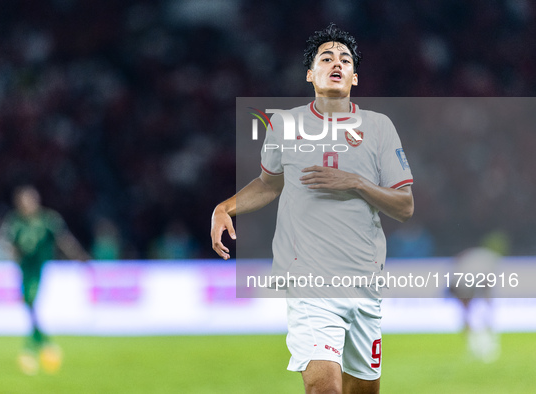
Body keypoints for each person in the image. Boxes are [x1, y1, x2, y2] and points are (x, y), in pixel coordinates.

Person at [211, 24, 414, 394]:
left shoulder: (379, 127)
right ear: (310, 73)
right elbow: (269, 183)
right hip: (310, 282)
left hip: (364, 284)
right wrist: (225, 207)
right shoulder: (285, 124)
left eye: (345, 59)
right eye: (326, 57)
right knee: (325, 389)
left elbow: (405, 206)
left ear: (355, 76)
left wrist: (356, 183)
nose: (336, 63)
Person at [2, 185, 90, 375]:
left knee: (31, 300)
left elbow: (64, 240)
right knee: (28, 304)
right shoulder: (15, 222)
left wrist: (78, 255)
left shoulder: (48, 220)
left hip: (40, 268)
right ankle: (45, 345)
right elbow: (9, 243)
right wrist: (13, 254)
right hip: (24, 269)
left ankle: (31, 348)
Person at [451, 231, 509, 363]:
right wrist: (488, 303)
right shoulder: (491, 258)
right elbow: (487, 283)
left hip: (462, 278)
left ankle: (473, 341)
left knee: (467, 313)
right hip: (464, 279)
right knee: (471, 311)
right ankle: (480, 339)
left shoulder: (480, 256)